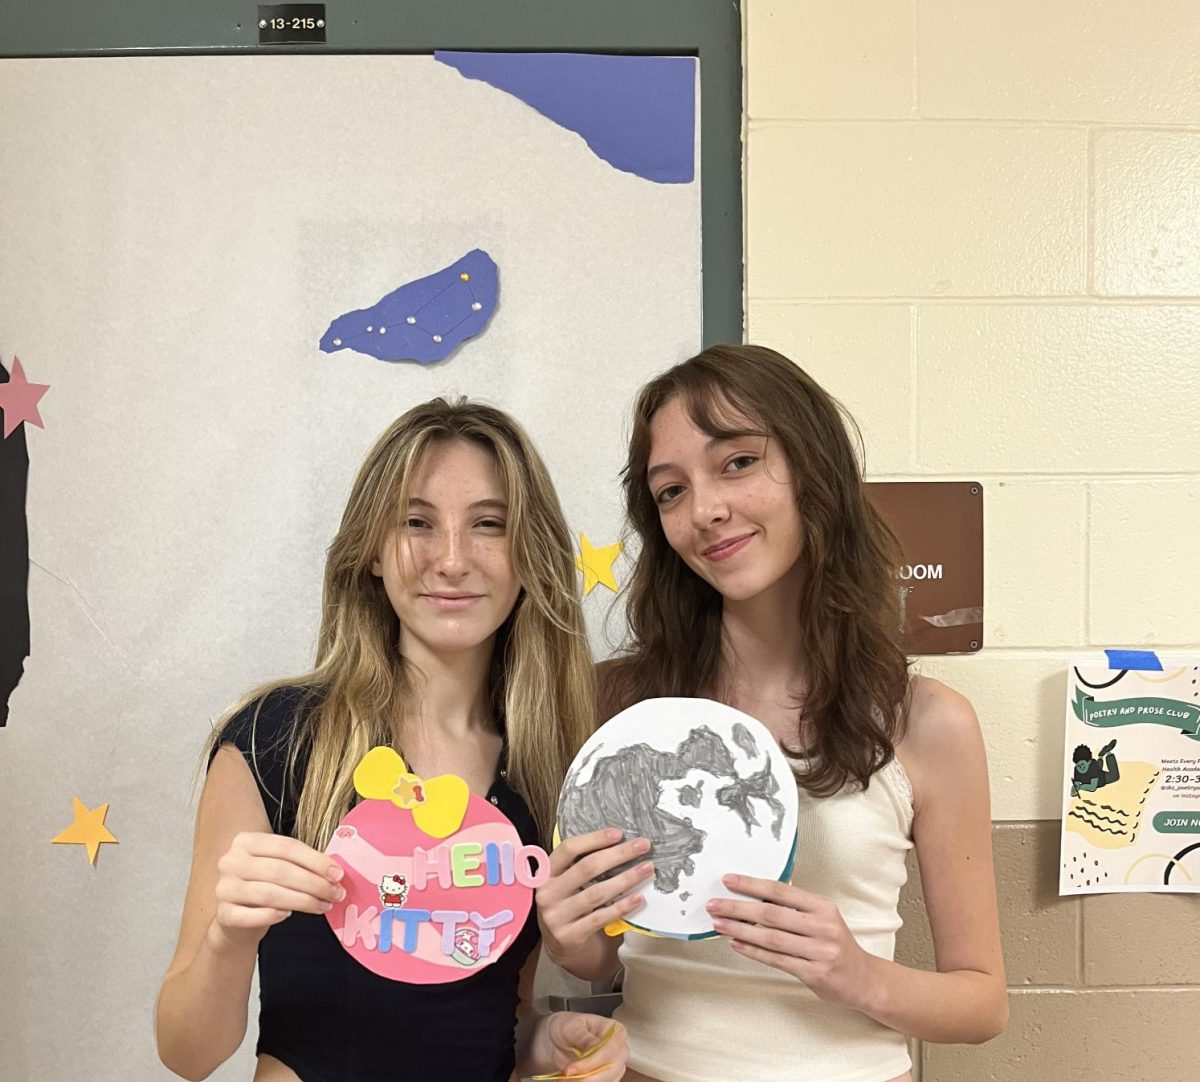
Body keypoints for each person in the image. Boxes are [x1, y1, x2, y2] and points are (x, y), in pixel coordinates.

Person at [537, 346, 1007, 1082]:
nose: (705, 510)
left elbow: (982, 1005)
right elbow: (616, 954)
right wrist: (572, 942)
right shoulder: (623, 708)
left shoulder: (926, 721)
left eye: (737, 463)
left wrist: (855, 972)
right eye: (670, 492)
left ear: (811, 467)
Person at [156, 398, 629, 1082]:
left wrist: (540, 1039)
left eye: (489, 525)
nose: (452, 559)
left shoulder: (545, 775)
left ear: (530, 555)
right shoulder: (277, 740)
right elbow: (186, 1053)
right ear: (372, 552)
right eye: (417, 523)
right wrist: (229, 938)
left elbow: (474, 1020)